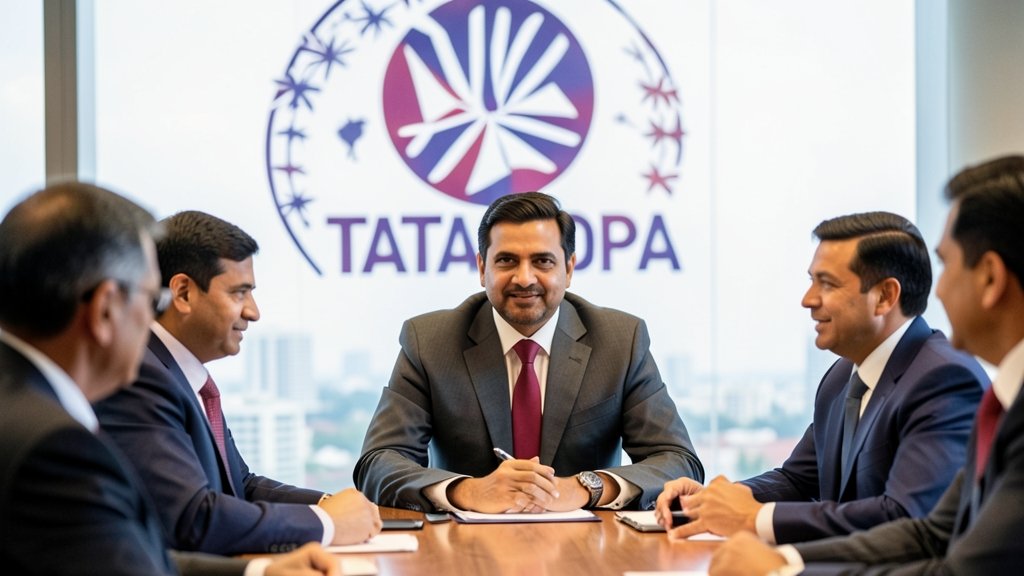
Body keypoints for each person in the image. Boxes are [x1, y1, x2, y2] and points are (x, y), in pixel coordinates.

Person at [0, 182, 339, 575]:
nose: (153, 321)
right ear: (106, 309)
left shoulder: (24, 407)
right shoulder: (54, 447)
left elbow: (128, 554)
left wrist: (258, 573)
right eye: (150, 301)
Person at [708, 154, 1024, 574]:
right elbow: (930, 533)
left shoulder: (948, 379)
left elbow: (952, 565)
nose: (938, 289)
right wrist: (781, 555)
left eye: (946, 264)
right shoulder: (843, 375)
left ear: (989, 277)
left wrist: (779, 570)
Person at [354, 191, 703, 513]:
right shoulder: (430, 342)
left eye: (542, 261)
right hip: (466, 551)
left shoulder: (620, 340)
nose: (524, 278)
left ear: (568, 268)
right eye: (506, 260)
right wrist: (469, 491)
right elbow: (379, 462)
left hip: (589, 551)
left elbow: (677, 460)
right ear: (481, 268)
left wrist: (585, 487)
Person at [655, 212, 988, 544]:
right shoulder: (842, 375)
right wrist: (714, 501)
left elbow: (904, 515)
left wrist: (754, 517)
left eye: (827, 284)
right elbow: (798, 480)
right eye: (811, 280)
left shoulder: (944, 378)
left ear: (885, 296)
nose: (808, 299)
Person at [94, 210, 381, 555]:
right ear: (183, 293)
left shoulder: (181, 373)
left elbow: (239, 485)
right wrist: (327, 524)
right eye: (239, 293)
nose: (253, 312)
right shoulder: (142, 376)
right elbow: (193, 518)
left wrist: (330, 504)